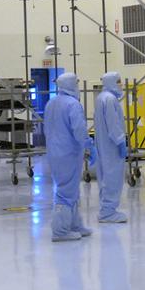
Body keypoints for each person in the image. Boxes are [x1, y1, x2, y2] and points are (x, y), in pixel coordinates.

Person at [45, 72, 94, 241]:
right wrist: (88, 144)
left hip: (55, 152)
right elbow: (79, 130)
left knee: (71, 190)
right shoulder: (73, 104)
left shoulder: (51, 103)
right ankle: (60, 231)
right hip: (69, 153)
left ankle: (74, 224)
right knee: (66, 192)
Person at [94, 71, 129, 223]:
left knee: (105, 175)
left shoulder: (101, 97)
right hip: (112, 145)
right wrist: (121, 141)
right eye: (119, 81)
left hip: (103, 144)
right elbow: (113, 124)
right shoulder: (109, 99)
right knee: (113, 176)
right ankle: (108, 211)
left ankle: (105, 208)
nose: (121, 84)